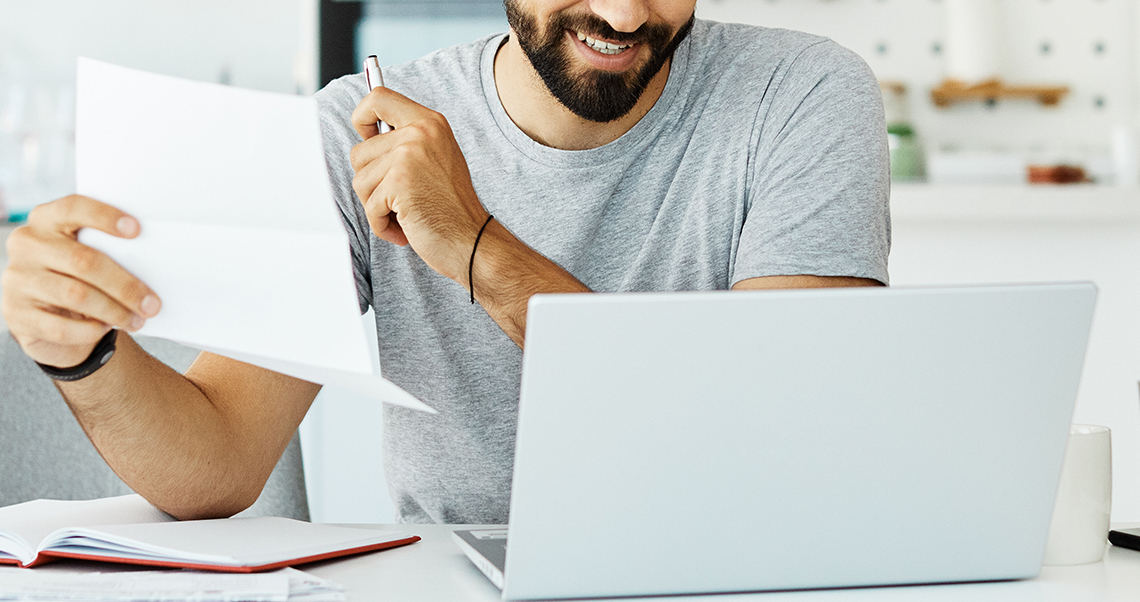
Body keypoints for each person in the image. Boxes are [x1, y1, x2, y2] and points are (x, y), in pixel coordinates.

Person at [1, 0, 890, 523]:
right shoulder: (356, 126)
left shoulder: (803, 96)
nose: (625, 16)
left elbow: (780, 447)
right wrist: (82, 354)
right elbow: (221, 464)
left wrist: (472, 244)